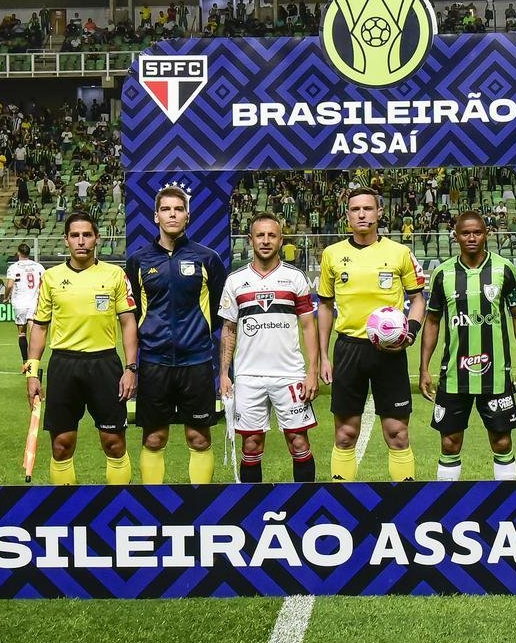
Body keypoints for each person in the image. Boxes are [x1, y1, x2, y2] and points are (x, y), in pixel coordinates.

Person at [318, 187, 427, 482]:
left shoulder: (399, 252)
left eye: (368, 208)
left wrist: (411, 332)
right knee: (344, 434)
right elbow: (325, 307)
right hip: (348, 349)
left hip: (389, 352)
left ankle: (405, 504)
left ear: (379, 213)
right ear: (347, 216)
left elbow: (418, 299)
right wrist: (323, 358)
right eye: (355, 210)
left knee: (398, 433)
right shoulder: (332, 254)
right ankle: (342, 505)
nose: (362, 214)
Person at [24, 213, 139, 486]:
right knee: (62, 444)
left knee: (113, 442)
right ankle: (69, 512)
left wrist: (131, 368)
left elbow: (128, 323)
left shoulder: (114, 275)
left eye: (87, 235)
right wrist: (32, 373)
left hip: (105, 364)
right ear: (66, 240)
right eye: (75, 236)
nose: (81, 241)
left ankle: (119, 508)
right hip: (64, 365)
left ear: (97, 238)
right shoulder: (51, 278)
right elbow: (39, 327)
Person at [125, 185, 226, 484]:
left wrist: (196, 335)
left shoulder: (207, 259)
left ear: (188, 216)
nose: (172, 214)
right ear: (156, 216)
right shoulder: (139, 261)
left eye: (178, 209)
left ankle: (200, 506)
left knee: (199, 438)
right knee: (154, 439)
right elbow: (131, 315)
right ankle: (152, 507)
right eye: (166, 209)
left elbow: (221, 311)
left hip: (195, 363)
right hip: (154, 363)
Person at [419, 211, 516, 481]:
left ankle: (506, 506)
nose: (471, 238)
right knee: (449, 443)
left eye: (477, 232)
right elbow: (432, 320)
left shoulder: (504, 269)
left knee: (502, 441)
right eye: (465, 233)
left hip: (495, 375)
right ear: (455, 236)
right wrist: (424, 367)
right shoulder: (443, 274)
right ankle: (447, 505)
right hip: (454, 375)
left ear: (486, 234)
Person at [218, 213, 320, 483]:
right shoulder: (235, 281)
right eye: (260, 235)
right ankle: (253, 508)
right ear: (250, 240)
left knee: (298, 442)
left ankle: (304, 506)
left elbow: (309, 327)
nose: (265, 241)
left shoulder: (295, 278)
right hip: (249, 376)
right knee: (251, 445)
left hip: (290, 375)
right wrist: (224, 374)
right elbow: (228, 330)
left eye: (271, 235)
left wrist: (312, 372)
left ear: (281, 240)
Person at [2, 243, 46, 364]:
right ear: (29, 253)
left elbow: (10, 285)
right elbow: (44, 283)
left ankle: (25, 361)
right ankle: (33, 362)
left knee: (22, 333)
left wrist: (6, 297)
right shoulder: (38, 266)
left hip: (19, 303)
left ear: (18, 253)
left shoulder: (13, 267)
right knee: (34, 333)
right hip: (34, 303)